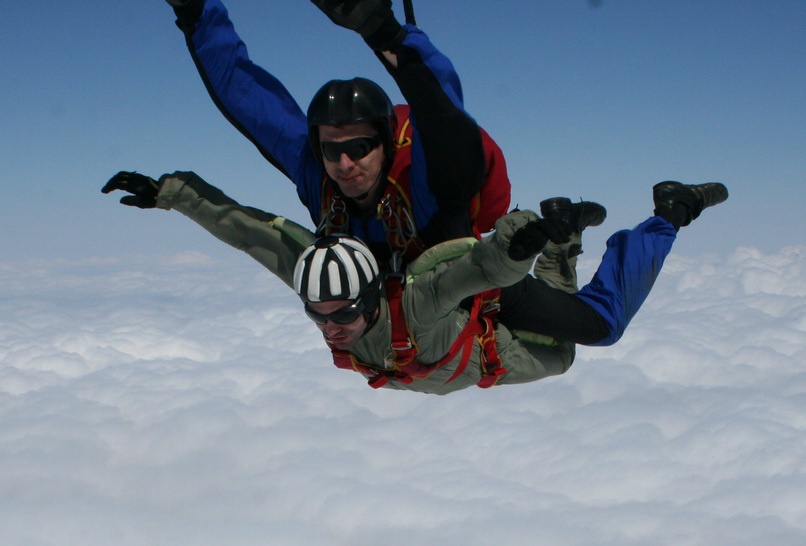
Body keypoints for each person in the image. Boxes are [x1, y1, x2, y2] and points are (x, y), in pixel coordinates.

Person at [102, 170, 728, 395]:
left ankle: (669, 212)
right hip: (471, 338)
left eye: (341, 313)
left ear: (372, 295)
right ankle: (563, 233)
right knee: (560, 344)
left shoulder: (417, 302)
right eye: (317, 315)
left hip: (489, 305)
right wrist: (172, 194)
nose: (330, 326)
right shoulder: (321, 277)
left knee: (597, 332)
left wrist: (522, 240)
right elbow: (250, 233)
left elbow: (477, 269)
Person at [163, 0, 510, 266]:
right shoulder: (318, 178)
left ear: (386, 144)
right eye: (331, 150)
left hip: (458, 325)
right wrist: (196, 12)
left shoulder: (421, 184)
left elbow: (443, 118)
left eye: (359, 147)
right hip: (367, 329)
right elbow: (247, 99)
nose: (344, 164)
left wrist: (385, 34)